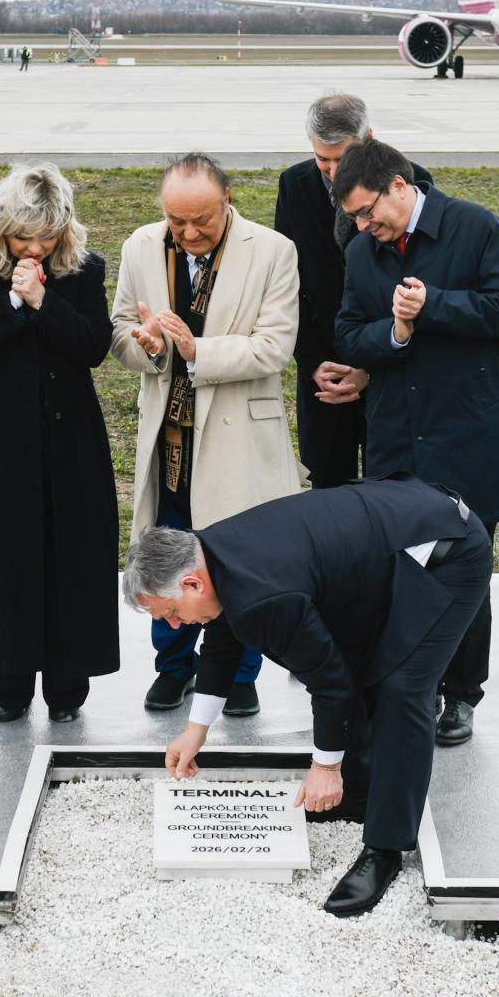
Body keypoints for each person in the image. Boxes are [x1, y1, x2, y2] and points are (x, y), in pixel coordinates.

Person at [126, 474, 492, 917]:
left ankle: (386, 848)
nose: (173, 626)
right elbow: (222, 638)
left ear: (192, 583)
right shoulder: (208, 554)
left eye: (170, 613)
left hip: (446, 549)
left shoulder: (263, 596)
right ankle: (358, 796)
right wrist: (194, 730)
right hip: (393, 531)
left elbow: (329, 680)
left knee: (401, 688)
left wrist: (324, 766)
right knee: (362, 663)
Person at [332, 138, 499, 748]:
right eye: (354, 218)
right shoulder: (360, 254)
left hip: (472, 433)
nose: (364, 226)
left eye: (369, 212)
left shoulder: (474, 226)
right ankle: (407, 687)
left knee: (464, 569)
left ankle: (461, 693)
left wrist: (434, 307)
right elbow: (350, 336)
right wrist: (394, 333)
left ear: (400, 185)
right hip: (399, 439)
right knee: (399, 568)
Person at [108, 152, 302, 719]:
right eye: (177, 222)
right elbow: (119, 329)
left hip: (240, 438)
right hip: (170, 442)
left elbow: (275, 346)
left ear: (227, 203)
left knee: (237, 559)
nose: (189, 233)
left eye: (202, 221)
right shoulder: (140, 246)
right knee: (166, 552)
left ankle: (241, 674)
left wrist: (197, 351)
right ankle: (172, 668)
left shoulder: (273, 251)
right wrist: (144, 347)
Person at [0, 163, 119, 723]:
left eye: (46, 236)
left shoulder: (84, 270)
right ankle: (9, 683)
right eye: (23, 237)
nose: (35, 247)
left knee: (69, 553)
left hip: (71, 440)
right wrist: (12, 305)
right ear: (0, 230)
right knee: (6, 550)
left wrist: (44, 301)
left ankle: (66, 688)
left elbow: (91, 345)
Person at [274, 93, 432, 488]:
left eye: (342, 159)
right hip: (324, 374)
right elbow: (286, 283)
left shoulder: (411, 181)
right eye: (321, 159)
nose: (331, 171)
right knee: (326, 487)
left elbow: (413, 282)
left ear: (370, 139)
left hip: (388, 366)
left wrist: (371, 368)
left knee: (393, 488)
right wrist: (312, 363)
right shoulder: (294, 185)